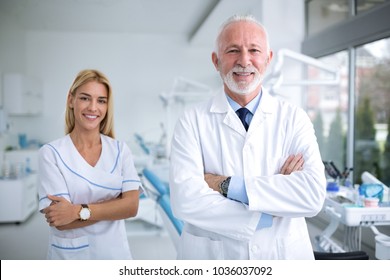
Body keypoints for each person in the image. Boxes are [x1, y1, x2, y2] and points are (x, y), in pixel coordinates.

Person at [169, 15, 326, 260]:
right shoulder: (191, 121)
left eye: (254, 50)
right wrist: (270, 209)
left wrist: (225, 185)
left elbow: (312, 195)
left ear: (268, 59)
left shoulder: (294, 118)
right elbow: (185, 200)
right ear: (216, 60)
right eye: (233, 50)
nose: (244, 61)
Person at [38, 69, 142, 259]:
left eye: (101, 100)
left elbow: (132, 207)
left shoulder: (120, 150)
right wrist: (115, 205)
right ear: (71, 100)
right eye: (85, 98)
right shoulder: (51, 153)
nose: (93, 107)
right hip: (71, 258)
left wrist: (77, 211)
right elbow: (60, 220)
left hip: (115, 254)